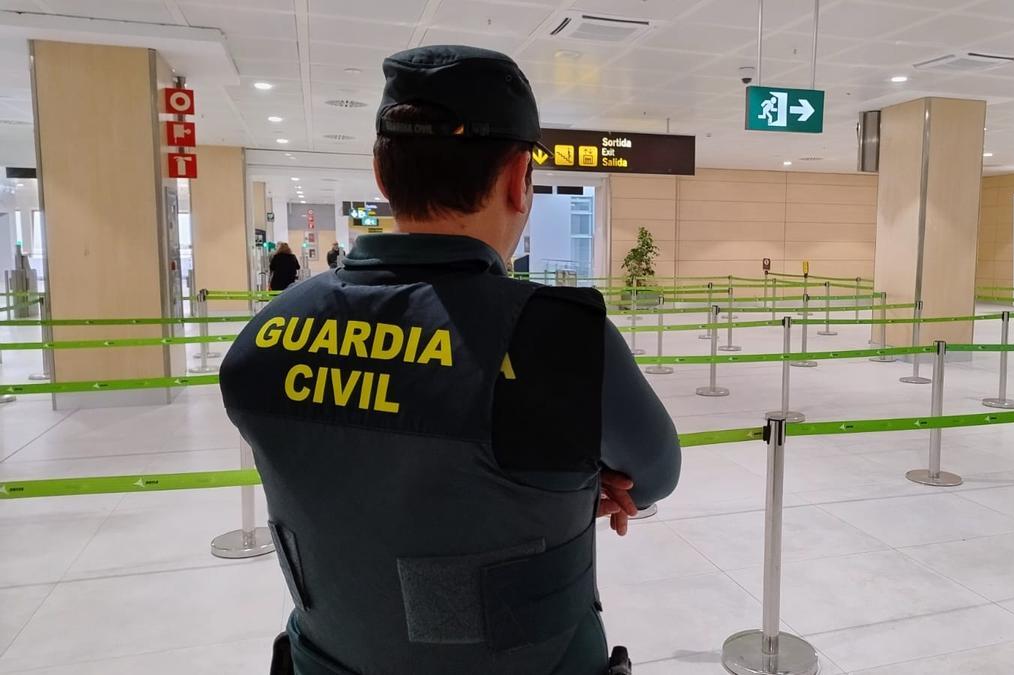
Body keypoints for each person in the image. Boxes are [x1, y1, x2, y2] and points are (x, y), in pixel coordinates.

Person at [219, 45, 680, 675]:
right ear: (520, 179)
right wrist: (562, 467)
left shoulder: (265, 335)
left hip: (327, 660)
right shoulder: (559, 338)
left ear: (382, 174)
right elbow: (653, 475)